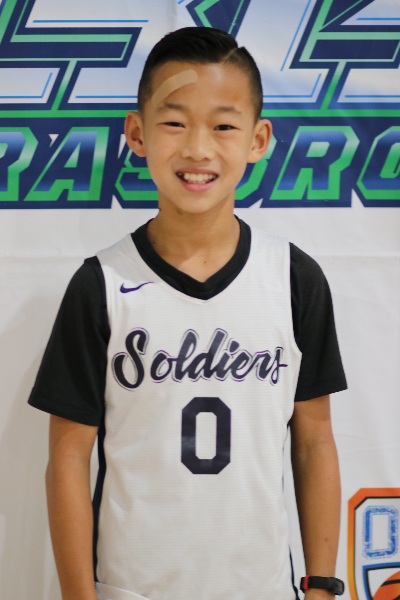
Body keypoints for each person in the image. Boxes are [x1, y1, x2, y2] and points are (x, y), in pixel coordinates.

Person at [28, 27, 347, 600]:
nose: (198, 149)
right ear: (137, 133)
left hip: (262, 588)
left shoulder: (294, 278)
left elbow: (314, 441)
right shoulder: (100, 284)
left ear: (258, 139)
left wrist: (322, 585)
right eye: (174, 122)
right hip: (130, 588)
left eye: (223, 126)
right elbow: (68, 458)